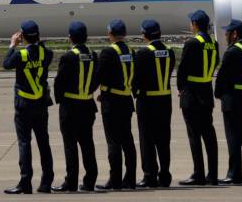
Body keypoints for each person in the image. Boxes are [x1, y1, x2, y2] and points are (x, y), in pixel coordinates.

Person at [3, 20, 54, 195]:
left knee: (25, 144)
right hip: (40, 104)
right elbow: (44, 52)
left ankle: (25, 182)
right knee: (44, 143)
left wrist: (12, 45)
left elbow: (6, 64)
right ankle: (46, 182)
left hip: (23, 106)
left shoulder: (20, 55)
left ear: (22, 36)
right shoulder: (47, 54)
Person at [52, 21, 99, 192]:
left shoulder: (68, 56)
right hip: (87, 104)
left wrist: (60, 100)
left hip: (70, 106)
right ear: (86, 37)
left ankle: (71, 181)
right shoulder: (93, 55)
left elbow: (59, 82)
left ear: (70, 37)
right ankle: (90, 180)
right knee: (87, 144)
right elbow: (96, 79)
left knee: (70, 145)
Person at [177, 10, 219, 186]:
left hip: (192, 94)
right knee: (209, 135)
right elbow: (216, 63)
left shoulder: (192, 43)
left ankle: (198, 173)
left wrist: (181, 89)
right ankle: (213, 174)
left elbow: (182, 69)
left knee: (194, 136)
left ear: (194, 24)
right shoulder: (213, 43)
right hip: (206, 91)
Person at [95, 19, 137, 191]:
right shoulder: (130, 51)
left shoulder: (108, 52)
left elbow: (99, 75)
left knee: (113, 142)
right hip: (126, 100)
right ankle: (131, 179)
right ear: (125, 34)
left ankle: (115, 180)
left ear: (110, 34)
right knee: (127, 140)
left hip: (111, 102)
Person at [133, 19, 175, 188]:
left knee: (147, 140)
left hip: (148, 101)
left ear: (145, 35)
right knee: (164, 140)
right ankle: (164, 175)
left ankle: (149, 175)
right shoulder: (169, 51)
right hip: (165, 99)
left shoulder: (143, 53)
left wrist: (136, 93)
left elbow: (136, 80)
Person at [215, 19, 242, 185]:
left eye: (227, 32)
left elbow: (223, 75)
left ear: (235, 34)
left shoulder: (232, 52)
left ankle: (234, 173)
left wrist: (218, 94)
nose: (225, 35)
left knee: (233, 137)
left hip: (233, 99)